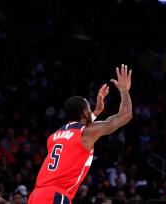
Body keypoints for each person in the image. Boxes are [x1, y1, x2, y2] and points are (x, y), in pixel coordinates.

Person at [28, 64, 133, 204]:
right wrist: (124, 90)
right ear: (84, 112)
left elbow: (75, 135)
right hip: (55, 196)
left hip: (36, 195)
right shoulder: (86, 133)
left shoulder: (53, 137)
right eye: (89, 108)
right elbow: (125, 115)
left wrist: (95, 112)